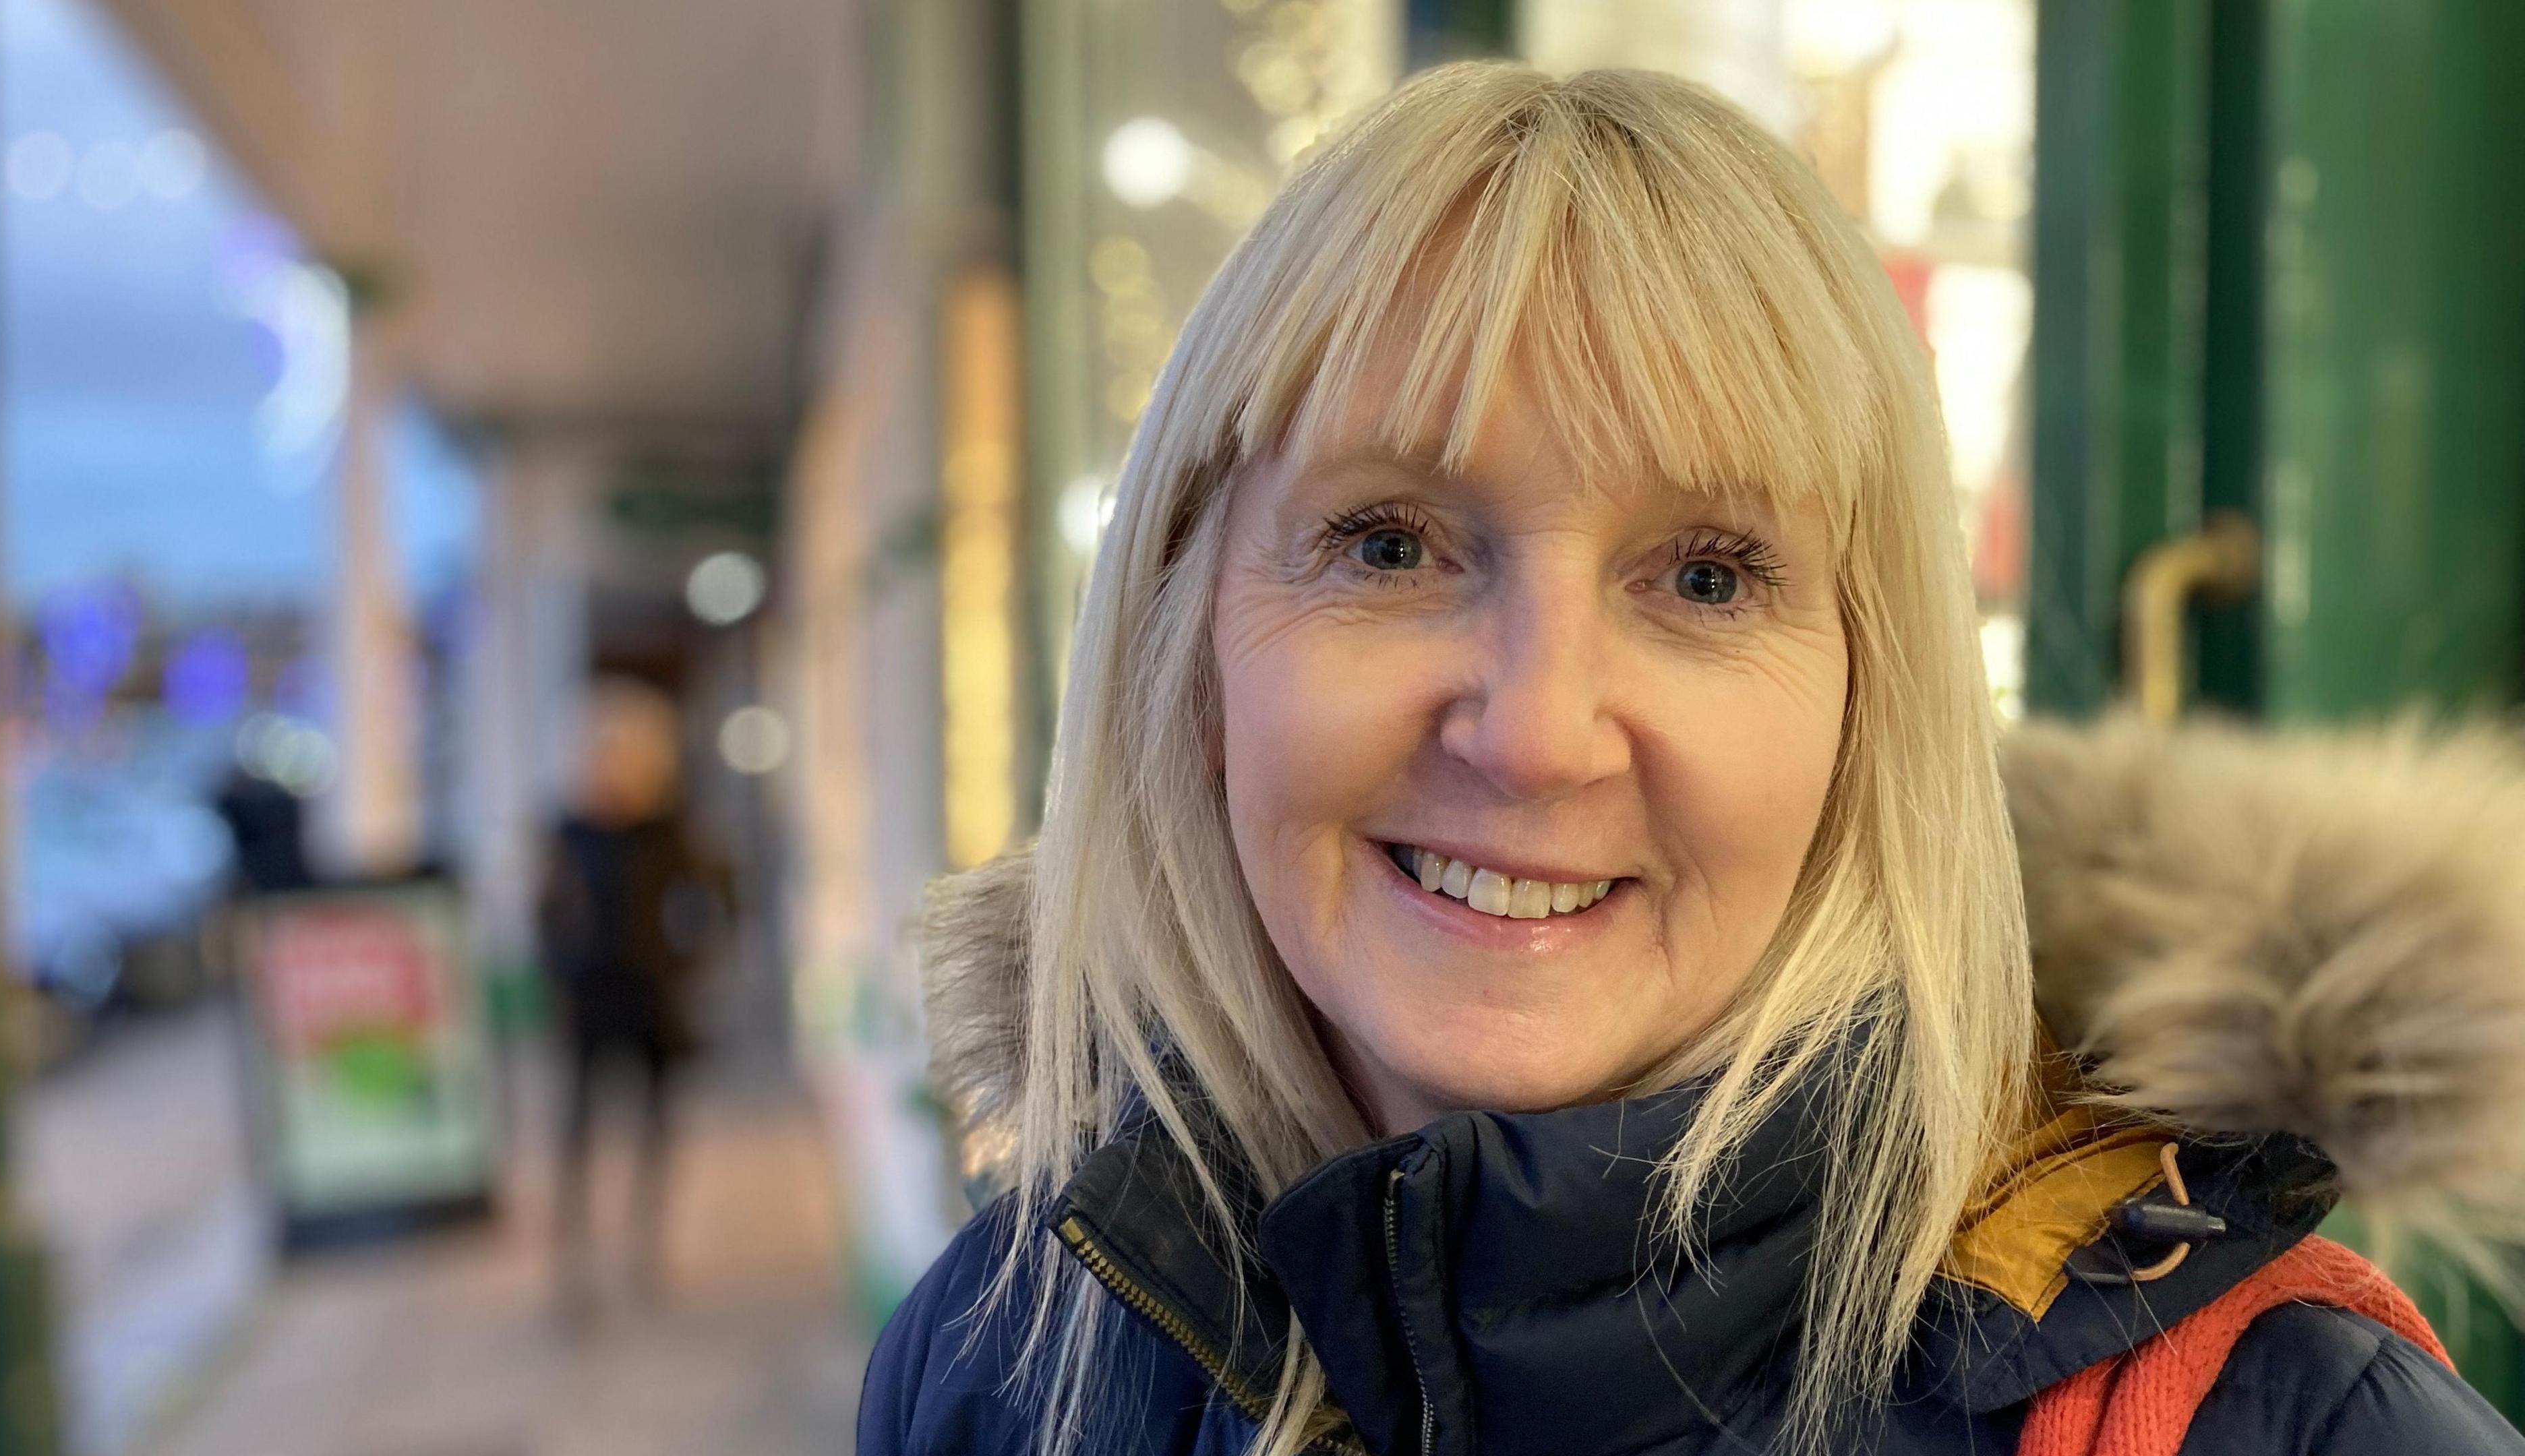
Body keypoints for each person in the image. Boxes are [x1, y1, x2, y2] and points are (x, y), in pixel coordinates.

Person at [862, 65, 2525, 1455]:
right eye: (1386, 543)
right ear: (1182, 631)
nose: (1531, 728)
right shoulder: (1009, 1348)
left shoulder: (2297, 1421)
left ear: (1873, 709)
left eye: (1707, 577)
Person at [537, 675, 722, 1312]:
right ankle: (575, 1256)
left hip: (651, 999)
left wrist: (684, 965)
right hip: (588, 1000)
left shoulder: (668, 832)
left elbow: (713, 900)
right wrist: (559, 971)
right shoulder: (566, 833)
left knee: (654, 1126)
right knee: (578, 1131)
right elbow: (544, 914)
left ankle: (644, 1245)